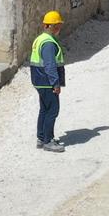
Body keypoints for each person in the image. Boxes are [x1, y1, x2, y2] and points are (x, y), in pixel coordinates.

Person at [30, 11, 66, 152]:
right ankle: (48, 141)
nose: (59, 28)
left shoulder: (41, 39)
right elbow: (50, 65)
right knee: (52, 110)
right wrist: (55, 83)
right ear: (50, 26)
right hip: (46, 81)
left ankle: (41, 137)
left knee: (44, 109)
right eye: (57, 25)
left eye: (59, 25)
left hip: (39, 80)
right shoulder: (49, 43)